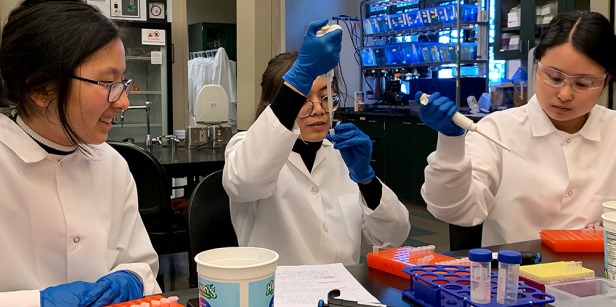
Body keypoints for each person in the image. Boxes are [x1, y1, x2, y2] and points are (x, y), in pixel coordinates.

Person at [0, 0, 161, 306]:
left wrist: (131, 278)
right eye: (107, 82)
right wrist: (37, 302)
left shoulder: (111, 165)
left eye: (123, 81)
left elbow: (140, 262)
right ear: (40, 88)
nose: (123, 101)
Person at [416, 10, 616, 246]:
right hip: (514, 277)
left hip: (597, 279)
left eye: (582, 83)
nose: (564, 94)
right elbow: (454, 210)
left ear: (607, 81)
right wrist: (450, 144)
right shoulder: (497, 130)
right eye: (553, 77)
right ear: (536, 66)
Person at [222, 19, 411, 265]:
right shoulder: (245, 148)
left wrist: (366, 179)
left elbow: (392, 236)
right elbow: (246, 180)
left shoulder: (341, 155)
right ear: (273, 106)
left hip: (344, 293)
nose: (319, 110)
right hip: (279, 295)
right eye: (302, 99)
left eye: (324, 98)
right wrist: (298, 77)